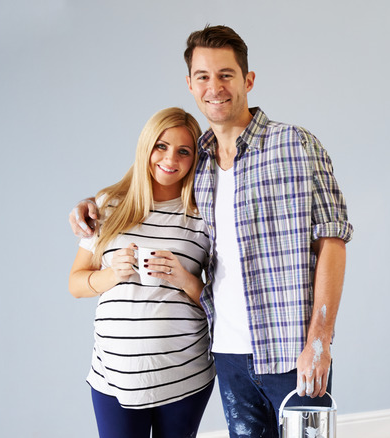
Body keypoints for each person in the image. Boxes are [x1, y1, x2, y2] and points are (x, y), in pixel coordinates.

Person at [69, 25, 353, 437]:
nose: (214, 86)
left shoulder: (295, 145)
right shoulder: (195, 163)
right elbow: (149, 184)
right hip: (227, 355)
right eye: (203, 76)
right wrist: (92, 205)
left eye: (226, 74)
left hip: (292, 351)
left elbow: (332, 238)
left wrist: (320, 341)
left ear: (248, 80)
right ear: (190, 84)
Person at [68, 107, 215, 438]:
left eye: (184, 151)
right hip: (113, 375)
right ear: (146, 146)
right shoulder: (106, 205)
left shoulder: (204, 216)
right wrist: (111, 275)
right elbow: (76, 283)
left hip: (184, 374)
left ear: (195, 158)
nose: (170, 159)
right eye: (161, 146)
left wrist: (185, 279)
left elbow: (221, 299)